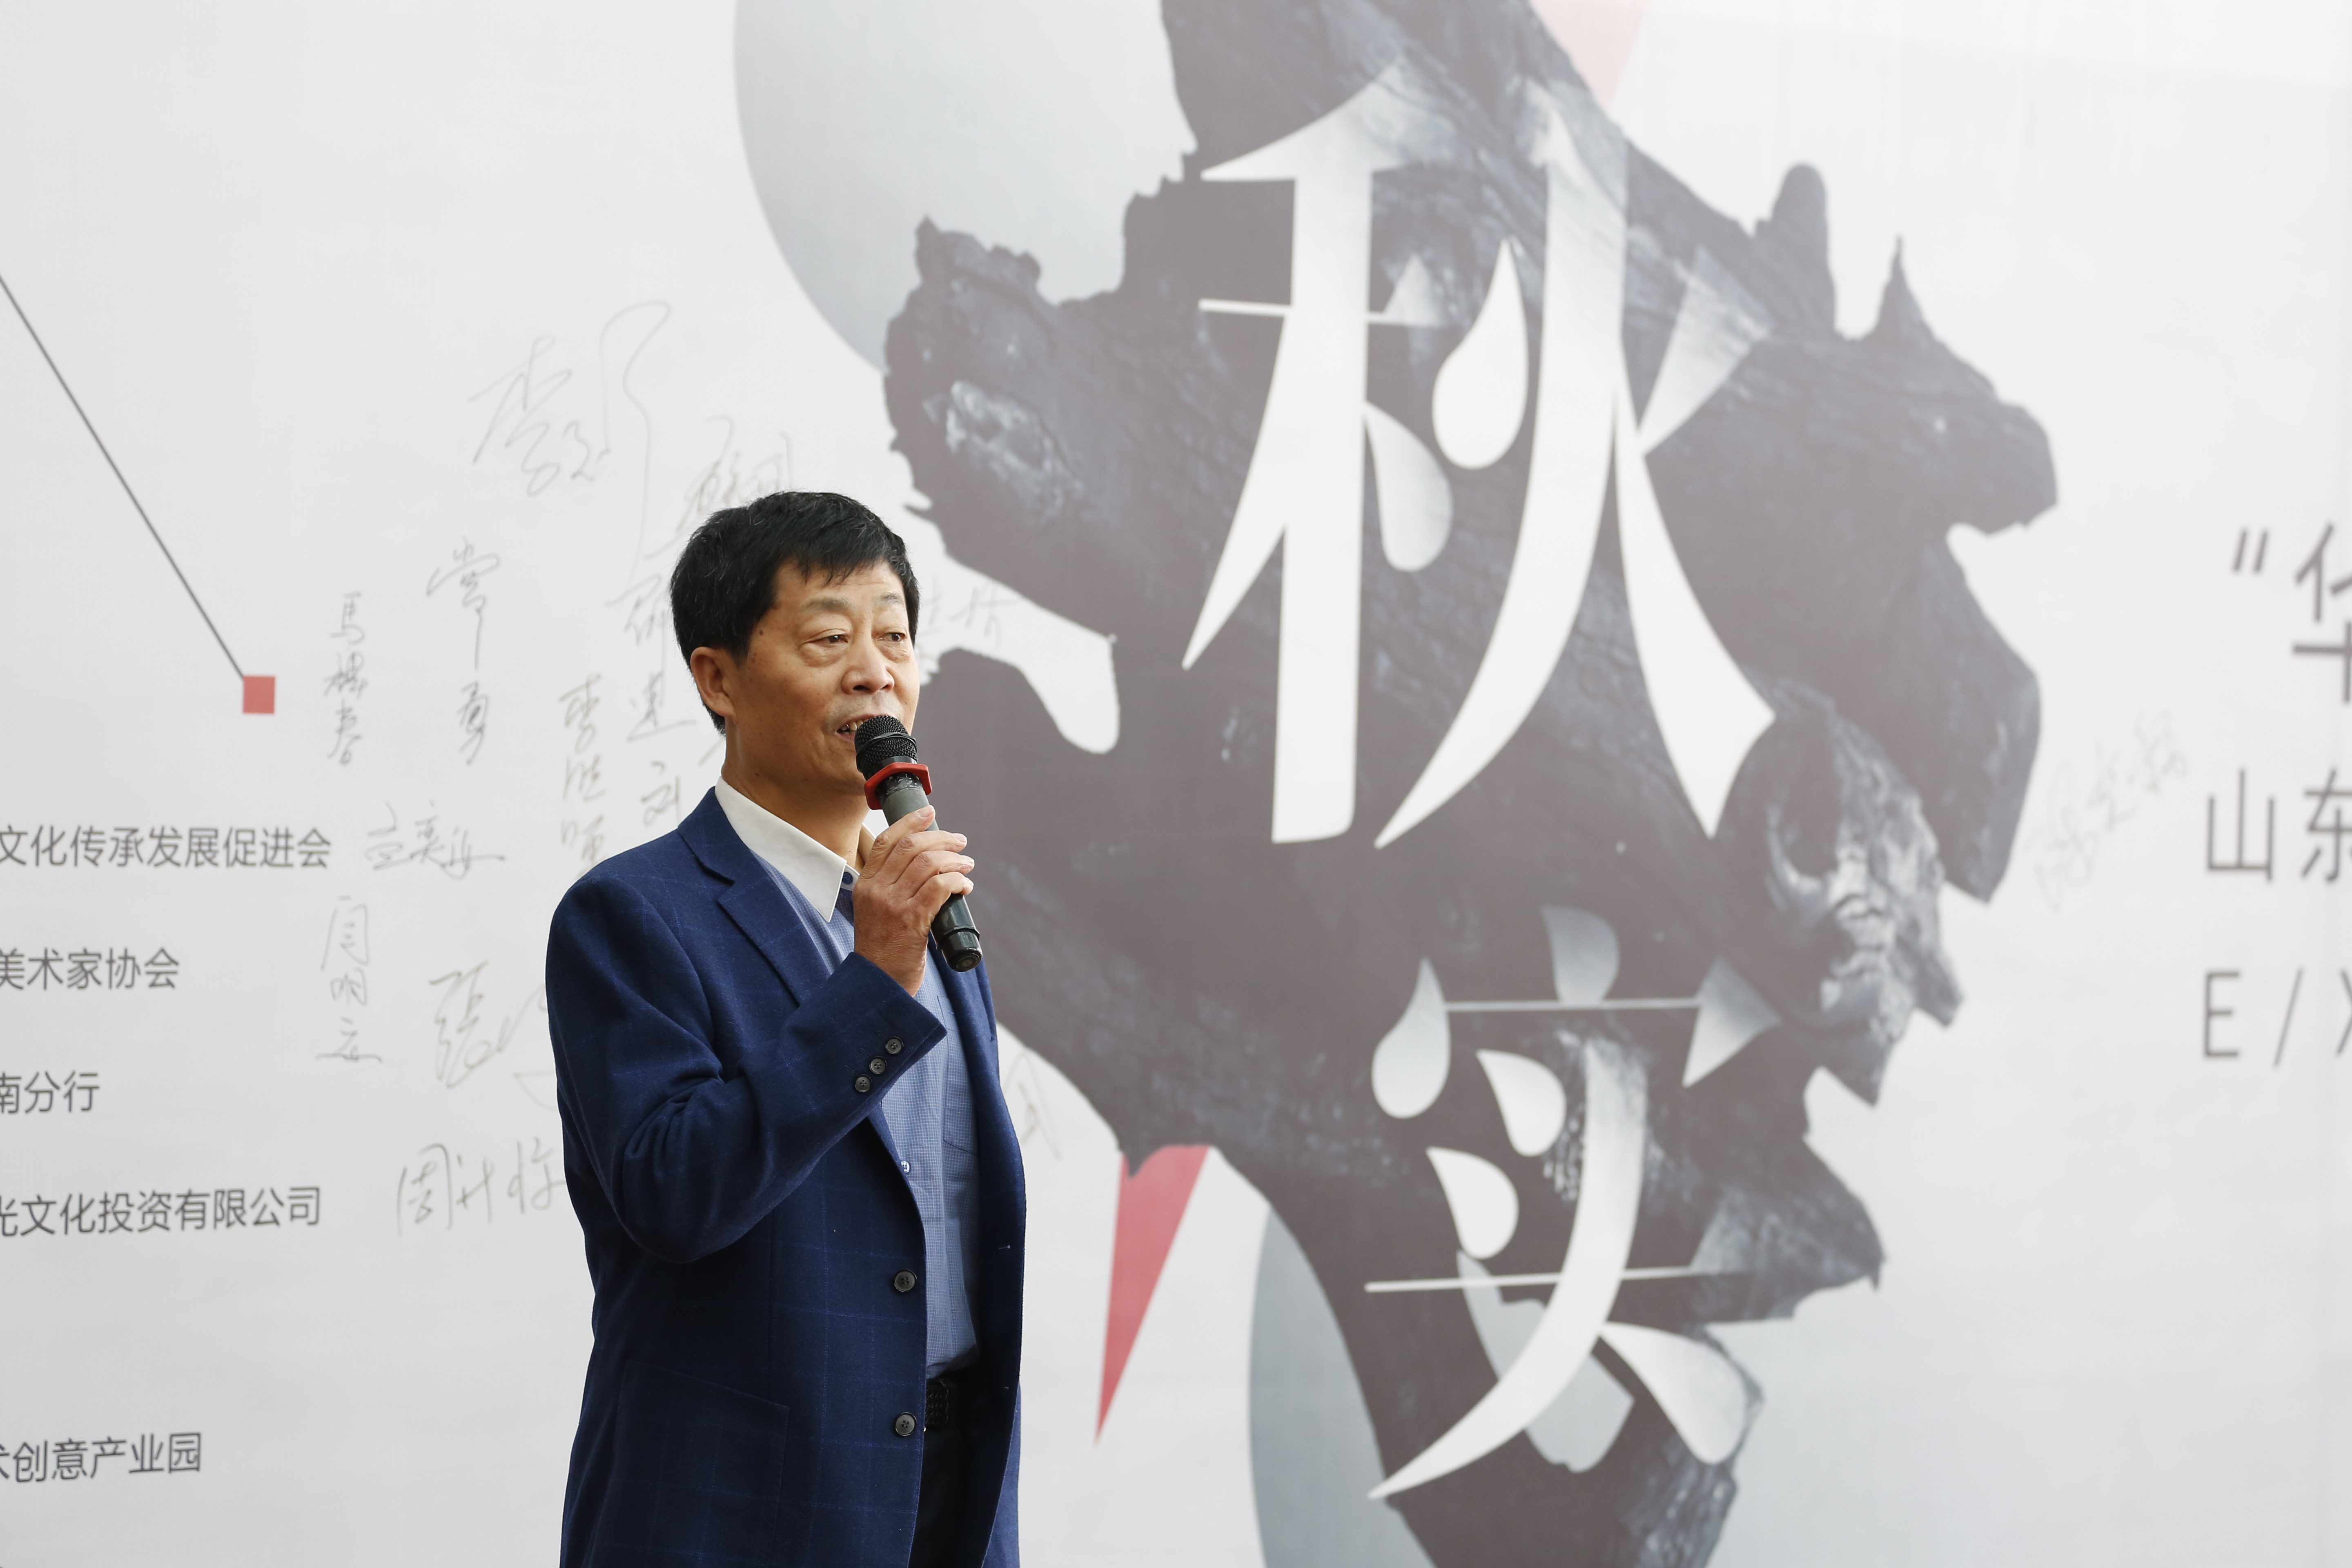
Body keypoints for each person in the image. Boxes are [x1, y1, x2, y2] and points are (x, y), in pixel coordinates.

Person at [544, 490, 1025, 1568]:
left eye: (894, 637)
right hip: (745, 1506)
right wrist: (874, 980)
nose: (875, 672)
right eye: (827, 640)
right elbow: (675, 1194)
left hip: (951, 1488)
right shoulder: (634, 915)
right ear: (718, 678)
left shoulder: (929, 906)